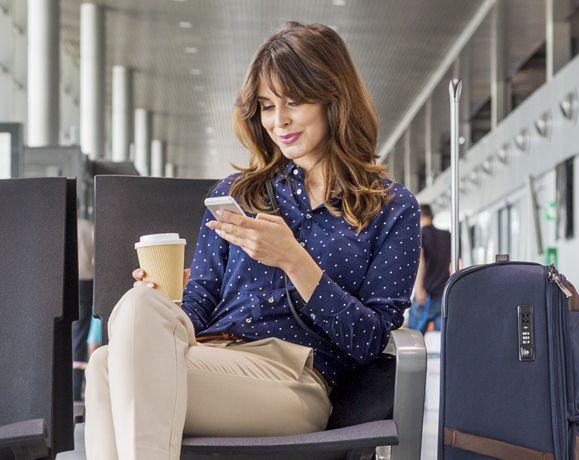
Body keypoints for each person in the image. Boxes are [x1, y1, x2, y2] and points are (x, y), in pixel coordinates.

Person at [84, 21, 420, 460]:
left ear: (334, 99)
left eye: (293, 102)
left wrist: (295, 262)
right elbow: (200, 302)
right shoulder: (238, 194)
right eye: (265, 106)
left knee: (107, 367)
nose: (278, 122)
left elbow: (371, 342)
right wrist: (165, 303)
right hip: (210, 355)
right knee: (135, 309)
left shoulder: (391, 207)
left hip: (295, 379)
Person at [410, 204, 451, 333]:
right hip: (444, 293)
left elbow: (419, 261)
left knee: (413, 339)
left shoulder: (420, 235)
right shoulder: (447, 236)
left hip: (426, 294)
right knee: (443, 340)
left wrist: (419, 289)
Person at [72, 215, 94, 401]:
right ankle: (75, 388)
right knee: (79, 336)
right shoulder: (86, 226)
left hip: (63, 282)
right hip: (85, 283)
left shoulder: (57, 225)